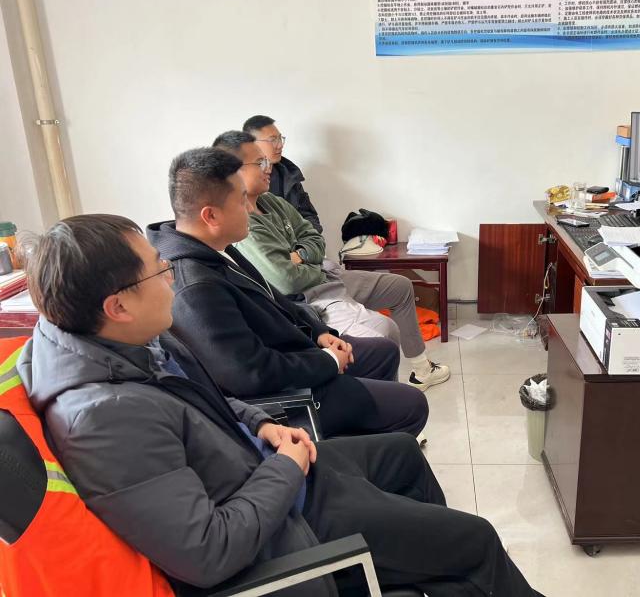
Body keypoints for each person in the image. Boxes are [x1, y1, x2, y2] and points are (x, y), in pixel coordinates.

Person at [18, 214, 543, 596]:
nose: (171, 278)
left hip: (264, 469)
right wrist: (287, 468)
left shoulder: (127, 342)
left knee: (403, 454)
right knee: (474, 540)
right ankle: (451, 562)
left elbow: (210, 400)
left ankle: (438, 564)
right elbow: (208, 552)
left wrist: (261, 423)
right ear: (118, 306)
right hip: (283, 527)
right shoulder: (104, 418)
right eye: (159, 272)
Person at [146, 147, 428, 438]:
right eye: (241, 200)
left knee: (384, 352)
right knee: (411, 405)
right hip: (289, 396)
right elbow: (251, 374)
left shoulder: (216, 247)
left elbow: (274, 298)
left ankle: (373, 439)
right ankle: (368, 448)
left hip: (297, 354)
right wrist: (328, 361)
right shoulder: (196, 288)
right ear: (211, 216)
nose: (250, 209)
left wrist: (319, 332)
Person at [212, 130, 450, 391]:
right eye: (260, 162)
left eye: (267, 160)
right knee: (384, 331)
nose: (269, 167)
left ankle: (421, 371)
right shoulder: (242, 225)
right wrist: (311, 262)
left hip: (326, 275)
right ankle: (379, 399)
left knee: (400, 287)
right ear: (233, 171)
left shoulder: (273, 202)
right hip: (308, 294)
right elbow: (286, 281)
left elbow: (314, 235)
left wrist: (301, 257)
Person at [242, 114, 323, 233]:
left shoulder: (290, 175)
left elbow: (309, 217)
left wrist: (305, 242)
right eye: (273, 140)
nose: (280, 145)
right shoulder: (243, 181)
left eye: (280, 138)